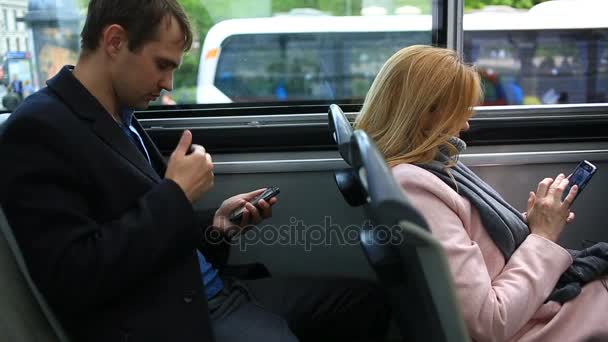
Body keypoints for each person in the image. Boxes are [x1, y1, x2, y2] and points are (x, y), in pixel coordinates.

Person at [0, 1, 389, 341]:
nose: (168, 83)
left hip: (209, 287)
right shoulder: (39, 129)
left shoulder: (121, 115)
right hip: (166, 315)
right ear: (115, 41)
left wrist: (216, 228)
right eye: (162, 65)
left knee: (368, 303)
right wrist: (176, 194)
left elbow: (150, 224)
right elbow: (77, 276)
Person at [355, 45, 608, 341]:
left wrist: (534, 221)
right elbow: (490, 321)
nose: (465, 124)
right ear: (427, 113)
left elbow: (476, 240)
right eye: (460, 112)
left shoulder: (432, 166)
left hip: (536, 301)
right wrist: (542, 236)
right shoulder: (415, 187)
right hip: (538, 322)